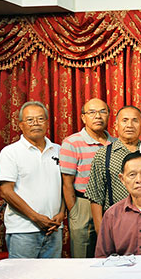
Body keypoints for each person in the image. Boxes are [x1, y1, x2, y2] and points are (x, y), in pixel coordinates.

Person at [0, 101, 65, 258]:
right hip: (23, 230)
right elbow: (6, 192)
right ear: (21, 124)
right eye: (30, 120)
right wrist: (36, 217)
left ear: (47, 122)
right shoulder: (10, 152)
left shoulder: (59, 150)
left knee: (52, 273)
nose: (36, 123)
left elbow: (65, 187)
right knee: (22, 274)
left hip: (54, 229)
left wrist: (61, 214)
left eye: (40, 119)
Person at [59, 98, 116, 258]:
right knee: (82, 255)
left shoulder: (116, 142)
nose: (98, 116)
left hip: (112, 205)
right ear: (83, 117)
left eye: (102, 112)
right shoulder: (72, 143)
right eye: (92, 112)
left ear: (109, 115)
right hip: (84, 204)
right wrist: (75, 212)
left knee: (112, 253)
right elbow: (67, 183)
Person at [86, 105, 141, 234]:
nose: (129, 125)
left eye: (135, 120)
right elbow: (96, 195)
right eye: (125, 120)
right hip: (116, 223)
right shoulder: (103, 154)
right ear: (116, 125)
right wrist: (100, 229)